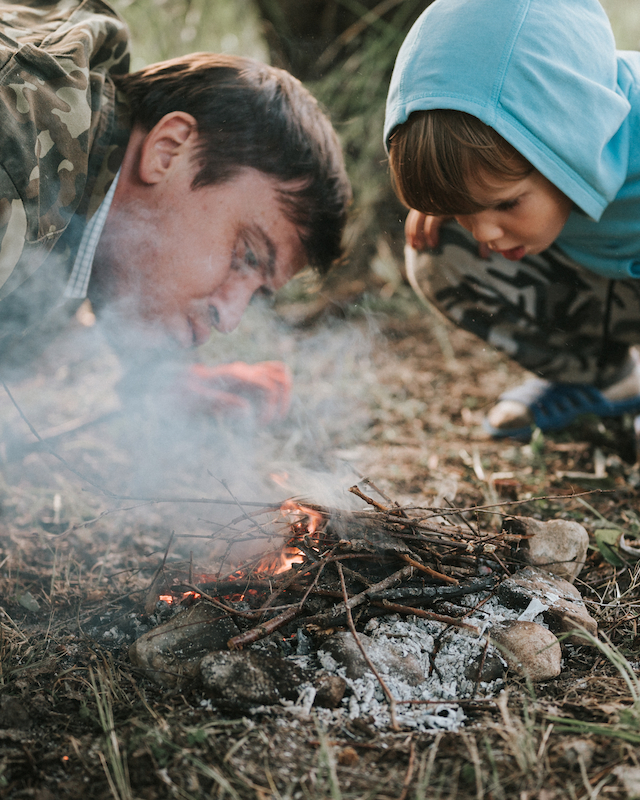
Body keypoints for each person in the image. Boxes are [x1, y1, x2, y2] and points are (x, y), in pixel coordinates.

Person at [0, 0, 350, 423]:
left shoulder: (82, 166)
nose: (229, 318)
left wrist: (158, 375)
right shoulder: (17, 141)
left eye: (257, 292)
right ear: (168, 152)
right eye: (247, 256)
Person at [384, 0, 640, 440]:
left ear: (567, 142)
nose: (483, 232)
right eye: (464, 210)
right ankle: (603, 379)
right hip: (608, 288)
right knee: (437, 250)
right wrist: (449, 198)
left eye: (505, 205)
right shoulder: (510, 181)